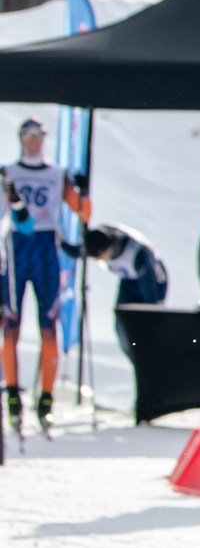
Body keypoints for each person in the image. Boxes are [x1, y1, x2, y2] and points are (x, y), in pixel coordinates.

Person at [3, 116, 88, 434]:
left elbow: (83, 212)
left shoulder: (56, 175)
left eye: (38, 135)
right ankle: (13, 397)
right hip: (18, 247)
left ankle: (46, 401)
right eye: (27, 135)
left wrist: (81, 189)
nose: (33, 140)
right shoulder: (8, 173)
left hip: (46, 247)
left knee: (48, 325)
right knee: (11, 322)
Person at [82, 222, 170, 358]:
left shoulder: (138, 257)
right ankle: (135, 357)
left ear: (107, 248)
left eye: (99, 258)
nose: (99, 261)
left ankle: (151, 360)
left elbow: (151, 298)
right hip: (129, 279)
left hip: (153, 282)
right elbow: (79, 251)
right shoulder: (99, 241)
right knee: (122, 322)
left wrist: (153, 315)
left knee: (148, 325)